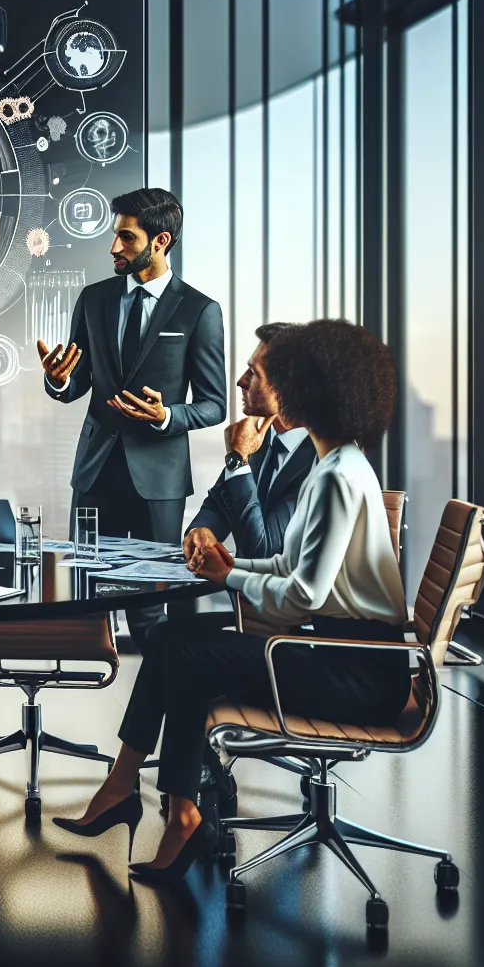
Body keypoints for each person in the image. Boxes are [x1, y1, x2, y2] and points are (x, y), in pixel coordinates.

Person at [128, 320, 409, 883]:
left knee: (186, 649)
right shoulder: (338, 465)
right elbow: (286, 567)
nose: (254, 386)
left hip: (356, 675)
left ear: (308, 391)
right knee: (172, 638)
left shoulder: (332, 477)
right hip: (341, 658)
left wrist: (230, 577)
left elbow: (299, 598)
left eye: (270, 376)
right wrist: (231, 569)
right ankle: (167, 804)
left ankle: (180, 815)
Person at [57, 322, 317, 832]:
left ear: (289, 386)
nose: (240, 383)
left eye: (254, 373)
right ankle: (130, 786)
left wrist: (238, 462)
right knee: (169, 638)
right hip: (264, 614)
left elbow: (266, 548)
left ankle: (170, 799)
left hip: (302, 638)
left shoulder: (314, 461)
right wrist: (197, 534)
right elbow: (212, 513)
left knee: (177, 647)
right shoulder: (264, 443)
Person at [37, 187, 227, 638]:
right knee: (83, 599)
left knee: (151, 607)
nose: (113, 248)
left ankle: (157, 699)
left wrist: (165, 417)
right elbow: (77, 383)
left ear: (159, 242)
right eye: (114, 235)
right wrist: (58, 378)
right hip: (95, 471)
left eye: (126, 238)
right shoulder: (94, 299)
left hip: (157, 480)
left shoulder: (200, 311)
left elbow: (215, 404)